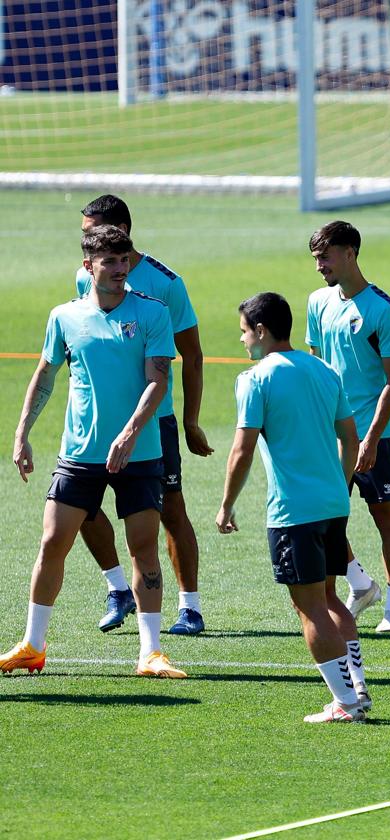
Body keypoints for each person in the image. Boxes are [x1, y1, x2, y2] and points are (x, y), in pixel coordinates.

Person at [3, 225, 185, 679]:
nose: (121, 268)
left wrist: (129, 433)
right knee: (52, 543)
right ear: (89, 266)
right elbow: (45, 376)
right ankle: (33, 644)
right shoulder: (64, 317)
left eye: (124, 260)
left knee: (143, 547)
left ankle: (151, 652)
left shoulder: (152, 314)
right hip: (79, 453)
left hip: (139, 452)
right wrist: (22, 431)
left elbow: (157, 380)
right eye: (110, 261)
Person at [217, 292, 372, 722]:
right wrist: (340, 486)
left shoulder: (254, 380)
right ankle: (356, 688)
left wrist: (226, 505)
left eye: (245, 332)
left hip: (293, 512)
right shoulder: (324, 371)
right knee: (328, 597)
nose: (243, 341)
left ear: (262, 331)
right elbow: (350, 438)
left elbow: (241, 451)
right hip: (332, 505)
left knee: (309, 608)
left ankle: (346, 703)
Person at [74, 195, 212, 636]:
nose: (82, 241)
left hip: (155, 422)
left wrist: (190, 421)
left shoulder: (166, 283)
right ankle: (118, 588)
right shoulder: (84, 275)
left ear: (119, 232)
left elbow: (191, 355)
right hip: (99, 421)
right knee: (79, 506)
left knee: (171, 509)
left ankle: (189, 607)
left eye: (88, 230)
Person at [306, 221, 390, 633]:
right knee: (322, 518)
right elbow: (316, 366)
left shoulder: (384, 312)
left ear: (350, 253)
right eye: (315, 258)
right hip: (330, 434)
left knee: (385, 515)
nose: (319, 266)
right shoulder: (318, 302)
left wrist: (369, 438)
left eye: (325, 256)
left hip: (374, 434)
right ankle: (360, 583)